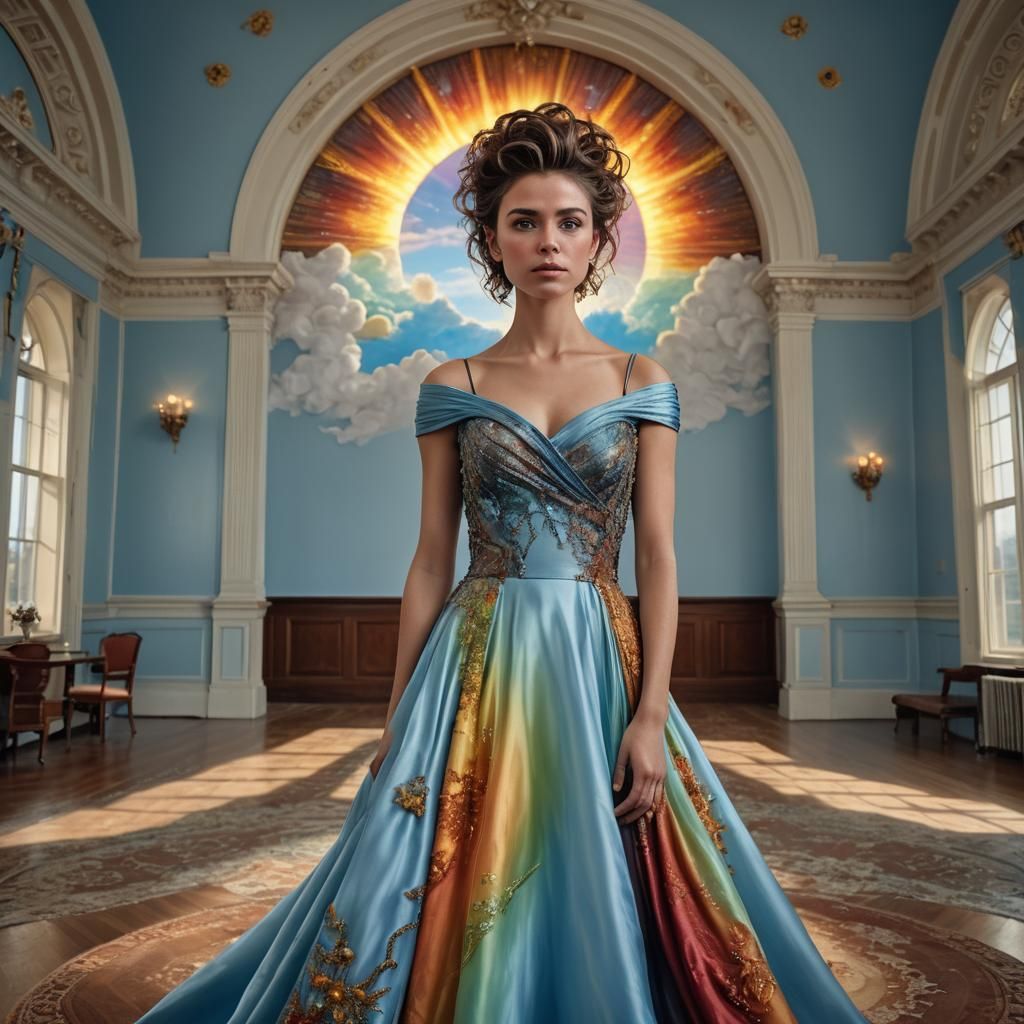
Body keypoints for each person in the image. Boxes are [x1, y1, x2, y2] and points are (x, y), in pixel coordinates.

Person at [135, 103, 867, 1023]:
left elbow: (662, 557)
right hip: (474, 654)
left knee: (620, 856)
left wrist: (650, 717)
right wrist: (397, 712)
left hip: (601, 654)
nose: (548, 241)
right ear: (492, 237)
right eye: (524, 221)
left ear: (600, 239)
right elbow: (430, 560)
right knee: (428, 862)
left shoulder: (643, 379)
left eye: (570, 221)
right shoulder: (454, 385)